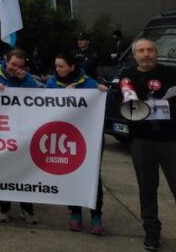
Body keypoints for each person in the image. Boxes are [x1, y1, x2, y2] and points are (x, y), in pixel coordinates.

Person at [118, 38, 176, 251]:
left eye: (150, 50)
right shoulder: (128, 75)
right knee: (147, 189)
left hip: (172, 141)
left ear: (156, 53)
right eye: (141, 51)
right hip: (142, 141)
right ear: (135, 55)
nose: (146, 54)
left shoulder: (173, 73)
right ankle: (152, 233)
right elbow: (125, 99)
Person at [45, 52, 108, 235]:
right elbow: (44, 106)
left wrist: (103, 93)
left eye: (61, 66)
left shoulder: (89, 83)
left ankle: (96, 215)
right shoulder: (52, 83)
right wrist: (62, 95)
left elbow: (102, 106)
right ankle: (75, 213)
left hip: (89, 137)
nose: (57, 70)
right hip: (66, 137)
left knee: (93, 174)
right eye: (56, 66)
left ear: (72, 66)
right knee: (71, 172)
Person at [0, 48, 40, 224]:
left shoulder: (27, 78)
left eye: (20, 66)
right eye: (13, 64)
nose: (16, 68)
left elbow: (37, 96)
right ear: (6, 60)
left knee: (25, 171)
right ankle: (4, 208)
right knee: (5, 171)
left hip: (23, 132)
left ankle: (26, 208)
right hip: (2, 132)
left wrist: (24, 80)